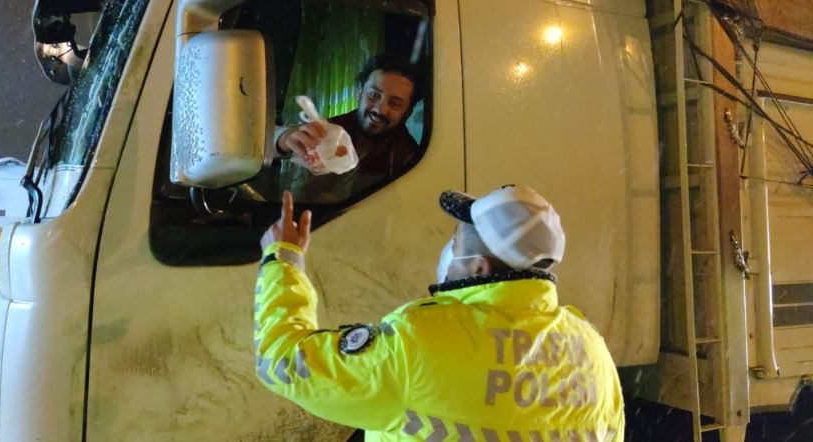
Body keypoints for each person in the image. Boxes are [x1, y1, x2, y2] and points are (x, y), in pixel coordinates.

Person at [254, 187, 625, 441]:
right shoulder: (593, 350)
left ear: (479, 268)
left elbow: (282, 360)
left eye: (457, 241)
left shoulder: (420, 343)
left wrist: (283, 258)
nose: (449, 248)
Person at [275, 53, 421, 203]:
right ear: (359, 92)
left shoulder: (410, 159)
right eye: (373, 95)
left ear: (408, 112)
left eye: (395, 104)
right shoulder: (330, 129)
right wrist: (284, 138)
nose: (380, 110)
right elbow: (261, 144)